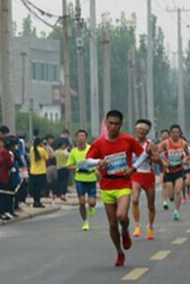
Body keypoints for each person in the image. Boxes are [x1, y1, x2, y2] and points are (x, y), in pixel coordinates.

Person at [87, 110, 147, 267]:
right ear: (106, 123)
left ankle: (125, 230)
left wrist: (133, 168)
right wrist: (99, 162)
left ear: (121, 124)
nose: (113, 127)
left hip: (123, 183)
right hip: (107, 186)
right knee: (112, 223)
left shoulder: (128, 140)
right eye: (110, 123)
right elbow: (87, 160)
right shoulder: (99, 143)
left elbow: (143, 154)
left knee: (121, 216)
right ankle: (119, 252)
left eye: (116, 124)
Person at [131, 119, 159, 240]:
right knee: (135, 199)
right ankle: (137, 225)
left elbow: (158, 160)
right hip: (136, 174)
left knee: (151, 205)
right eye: (139, 129)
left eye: (144, 129)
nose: (141, 131)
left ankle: (151, 226)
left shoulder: (150, 144)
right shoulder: (131, 143)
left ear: (147, 131)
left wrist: (150, 156)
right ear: (136, 130)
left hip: (148, 175)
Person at [66, 130, 97, 231]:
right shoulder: (73, 152)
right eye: (79, 136)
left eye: (83, 136)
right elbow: (68, 165)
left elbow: (97, 161)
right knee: (82, 202)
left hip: (91, 177)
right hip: (80, 178)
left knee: (91, 202)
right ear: (76, 138)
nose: (81, 138)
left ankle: (92, 207)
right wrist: (75, 167)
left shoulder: (91, 149)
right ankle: (85, 222)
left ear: (86, 138)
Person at [159, 124, 190, 221]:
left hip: (179, 170)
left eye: (177, 132)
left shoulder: (183, 143)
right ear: (170, 133)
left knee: (178, 190)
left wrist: (185, 159)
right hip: (169, 171)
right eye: (173, 132)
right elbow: (157, 153)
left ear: (180, 133)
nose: (176, 134)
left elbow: (189, 155)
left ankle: (176, 211)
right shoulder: (165, 143)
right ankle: (171, 199)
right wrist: (164, 162)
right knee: (171, 195)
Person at [28, 137, 50, 208]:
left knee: (34, 188)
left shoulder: (31, 149)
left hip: (33, 171)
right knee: (39, 188)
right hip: (41, 172)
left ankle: (35, 201)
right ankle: (38, 202)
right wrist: (44, 147)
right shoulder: (42, 150)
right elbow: (47, 158)